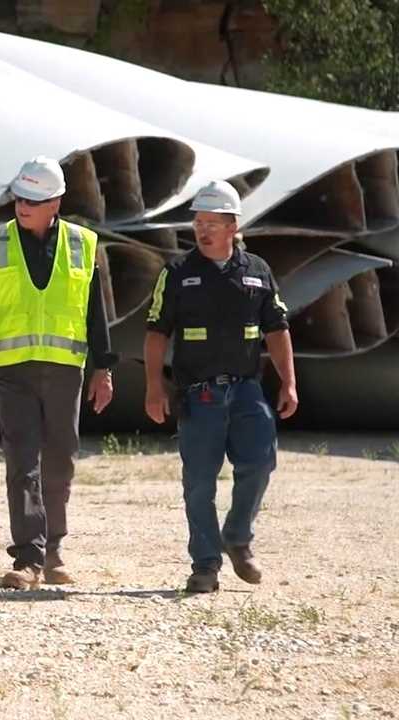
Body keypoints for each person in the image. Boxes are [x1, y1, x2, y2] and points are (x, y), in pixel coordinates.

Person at [0, 156, 116, 590]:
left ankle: (53, 550)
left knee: (60, 459)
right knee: (22, 462)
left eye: (34, 200)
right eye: (19, 197)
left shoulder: (83, 244)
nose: (23, 206)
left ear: (55, 202)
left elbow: (97, 312)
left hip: (64, 370)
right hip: (12, 371)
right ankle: (27, 559)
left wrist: (104, 369)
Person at [143, 179, 297, 593]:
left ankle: (238, 537)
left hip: (247, 389)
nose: (203, 229)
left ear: (233, 226)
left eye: (212, 222)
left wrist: (289, 382)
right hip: (199, 393)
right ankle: (205, 566)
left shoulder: (258, 272)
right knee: (199, 482)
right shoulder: (177, 273)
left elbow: (277, 329)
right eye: (198, 222)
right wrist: (154, 387)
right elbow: (156, 333)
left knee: (260, 463)